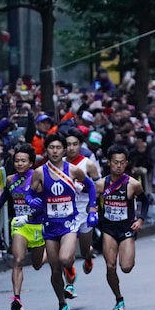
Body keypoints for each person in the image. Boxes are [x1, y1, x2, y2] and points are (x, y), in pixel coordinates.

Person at [27, 133, 97, 310]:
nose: (55, 151)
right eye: (51, 148)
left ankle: (73, 266)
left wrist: (92, 209)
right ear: (46, 150)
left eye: (59, 148)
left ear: (63, 150)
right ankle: (61, 303)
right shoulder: (40, 172)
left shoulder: (73, 170)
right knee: (55, 268)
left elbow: (91, 187)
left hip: (69, 223)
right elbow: (30, 192)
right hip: (50, 224)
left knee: (65, 259)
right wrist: (31, 201)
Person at [0, 145, 45, 310]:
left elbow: (45, 204)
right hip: (19, 226)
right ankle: (16, 298)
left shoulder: (37, 179)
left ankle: (54, 255)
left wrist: (29, 216)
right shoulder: (11, 179)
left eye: (23, 161)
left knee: (37, 264)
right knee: (18, 260)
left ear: (31, 163)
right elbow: (6, 194)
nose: (19, 164)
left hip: (36, 226)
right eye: (17, 160)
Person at [96, 145, 149, 310]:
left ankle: (128, 256)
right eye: (115, 163)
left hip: (126, 228)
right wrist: (94, 212)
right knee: (110, 266)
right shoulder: (100, 184)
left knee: (126, 267)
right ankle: (118, 298)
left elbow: (145, 201)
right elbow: (91, 200)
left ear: (126, 163)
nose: (118, 166)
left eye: (121, 163)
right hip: (108, 228)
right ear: (108, 163)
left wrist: (140, 220)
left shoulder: (133, 184)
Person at [62, 127, 101, 299]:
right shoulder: (59, 163)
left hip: (85, 211)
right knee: (66, 253)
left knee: (84, 249)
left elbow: (98, 187)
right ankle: (69, 285)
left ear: (80, 145)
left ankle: (88, 256)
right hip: (65, 212)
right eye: (68, 144)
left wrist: (83, 188)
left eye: (75, 144)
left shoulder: (88, 164)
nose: (71, 148)